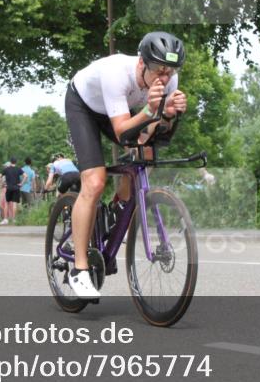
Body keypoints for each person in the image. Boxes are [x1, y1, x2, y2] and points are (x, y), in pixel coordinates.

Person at [63, 31, 188, 299]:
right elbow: (121, 132)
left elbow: (150, 134)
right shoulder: (116, 73)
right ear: (142, 63)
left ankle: (119, 206)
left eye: (170, 72)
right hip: (84, 107)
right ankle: (79, 269)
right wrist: (151, 110)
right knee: (95, 181)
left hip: (121, 110)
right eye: (159, 71)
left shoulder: (169, 80)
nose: (165, 78)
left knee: (146, 154)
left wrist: (168, 116)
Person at [1, 158, 25, 225]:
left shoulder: (6, 169)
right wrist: (21, 183)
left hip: (8, 188)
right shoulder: (18, 169)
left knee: (6, 204)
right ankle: (14, 219)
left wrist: (3, 183)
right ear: (16, 162)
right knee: (14, 204)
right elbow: (26, 176)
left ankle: (5, 219)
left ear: (11, 162)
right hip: (16, 188)